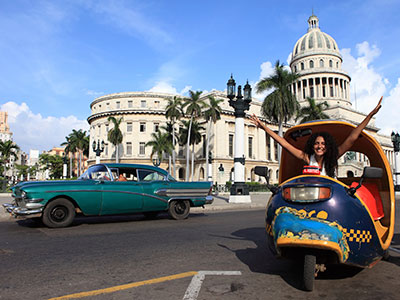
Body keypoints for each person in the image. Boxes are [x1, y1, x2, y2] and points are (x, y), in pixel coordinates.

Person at [249, 97, 383, 177]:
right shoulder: (307, 158)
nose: (320, 146)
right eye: (317, 143)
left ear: (327, 146)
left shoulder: (333, 157)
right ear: (312, 145)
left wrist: (370, 115)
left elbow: (352, 138)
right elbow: (284, 144)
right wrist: (263, 127)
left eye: (323, 144)